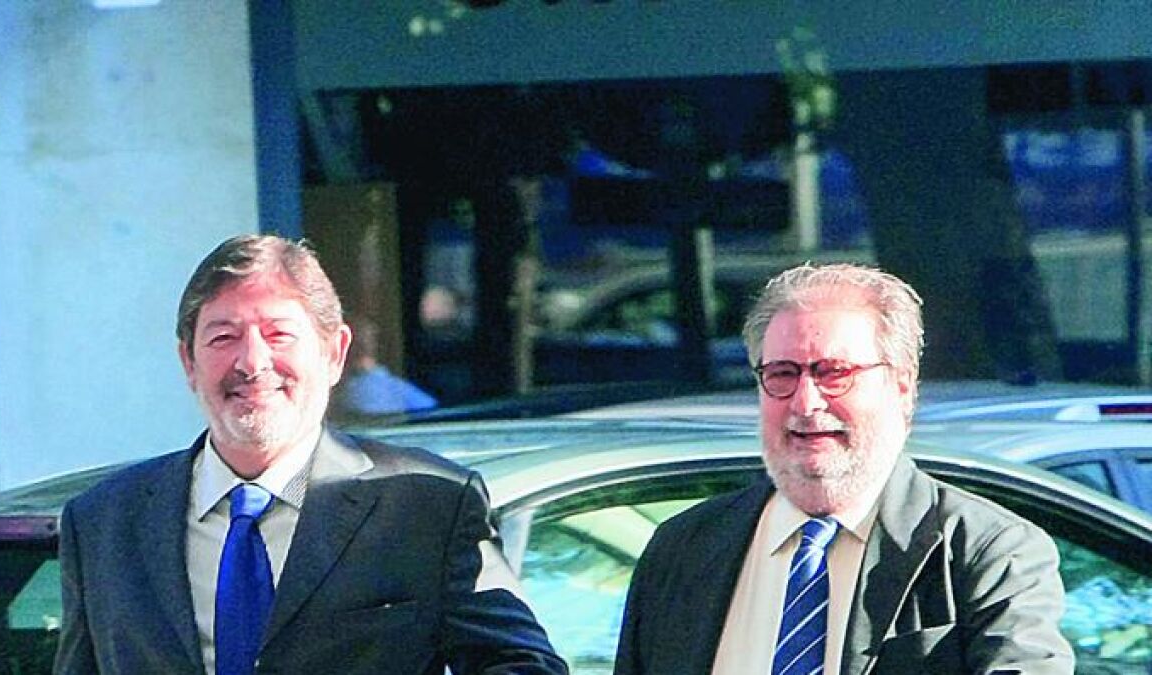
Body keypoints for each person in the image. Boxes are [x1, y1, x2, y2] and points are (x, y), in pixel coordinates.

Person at [55, 235, 567, 675]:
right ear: (188, 361)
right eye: (223, 337)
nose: (253, 362)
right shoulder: (102, 523)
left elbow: (522, 665)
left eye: (278, 335)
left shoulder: (425, 508)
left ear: (334, 353)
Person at [614, 263, 1073, 674]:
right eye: (782, 374)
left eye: (834, 373)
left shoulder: (988, 552)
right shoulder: (683, 549)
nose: (806, 402)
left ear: (902, 386)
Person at [341, 318, 438, 415]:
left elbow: (429, 411)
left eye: (365, 341)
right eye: (359, 342)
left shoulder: (393, 387)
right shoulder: (341, 389)